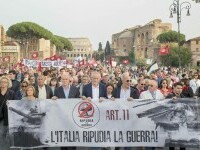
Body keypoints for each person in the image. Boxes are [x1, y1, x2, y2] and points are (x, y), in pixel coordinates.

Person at [52, 73, 79, 150]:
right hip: (62, 117)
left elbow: (78, 102)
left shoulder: (75, 89)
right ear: (61, 80)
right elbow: (55, 103)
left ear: (69, 80)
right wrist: (54, 98)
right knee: (63, 136)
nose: (64, 81)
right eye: (63, 79)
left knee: (72, 135)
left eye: (66, 79)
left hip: (72, 117)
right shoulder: (57, 90)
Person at [0, 76, 15, 149]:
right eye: (1, 82)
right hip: (0, 116)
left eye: (5, 82)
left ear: (8, 84)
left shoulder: (11, 93)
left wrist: (10, 104)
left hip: (8, 116)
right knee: (2, 134)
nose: (3, 83)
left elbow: (15, 104)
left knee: (6, 134)